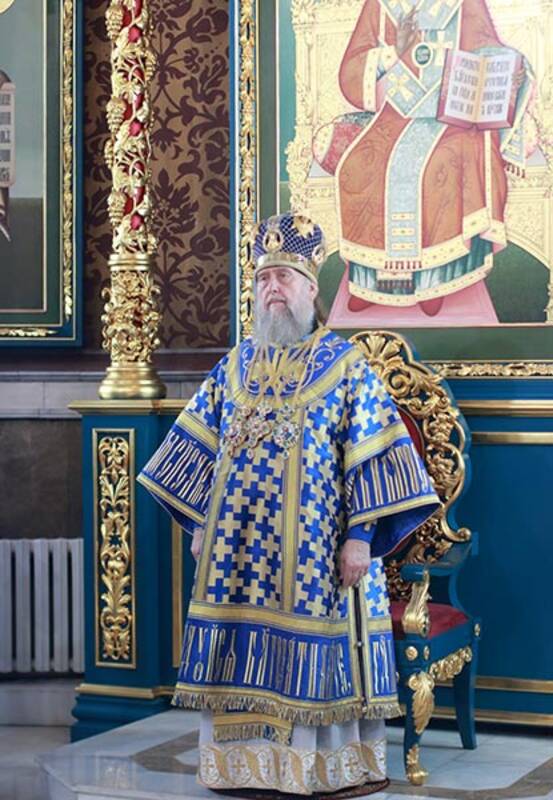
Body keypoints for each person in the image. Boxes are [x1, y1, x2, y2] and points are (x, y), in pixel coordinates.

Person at [138, 211, 440, 796]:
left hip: (318, 557)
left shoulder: (345, 366)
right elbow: (198, 444)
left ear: (309, 288)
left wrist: (360, 539)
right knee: (238, 649)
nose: (272, 288)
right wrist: (199, 523)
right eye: (263, 279)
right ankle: (241, 768)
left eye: (283, 277)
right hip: (235, 559)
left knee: (312, 648)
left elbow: (374, 454)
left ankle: (316, 769)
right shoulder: (235, 364)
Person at [314, 0, 532, 317]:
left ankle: (434, 281)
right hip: (396, 112)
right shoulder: (381, 4)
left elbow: (487, 46)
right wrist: (393, 52)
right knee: (360, 165)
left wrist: (510, 69)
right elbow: (352, 70)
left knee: (438, 167)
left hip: (454, 116)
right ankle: (376, 283)